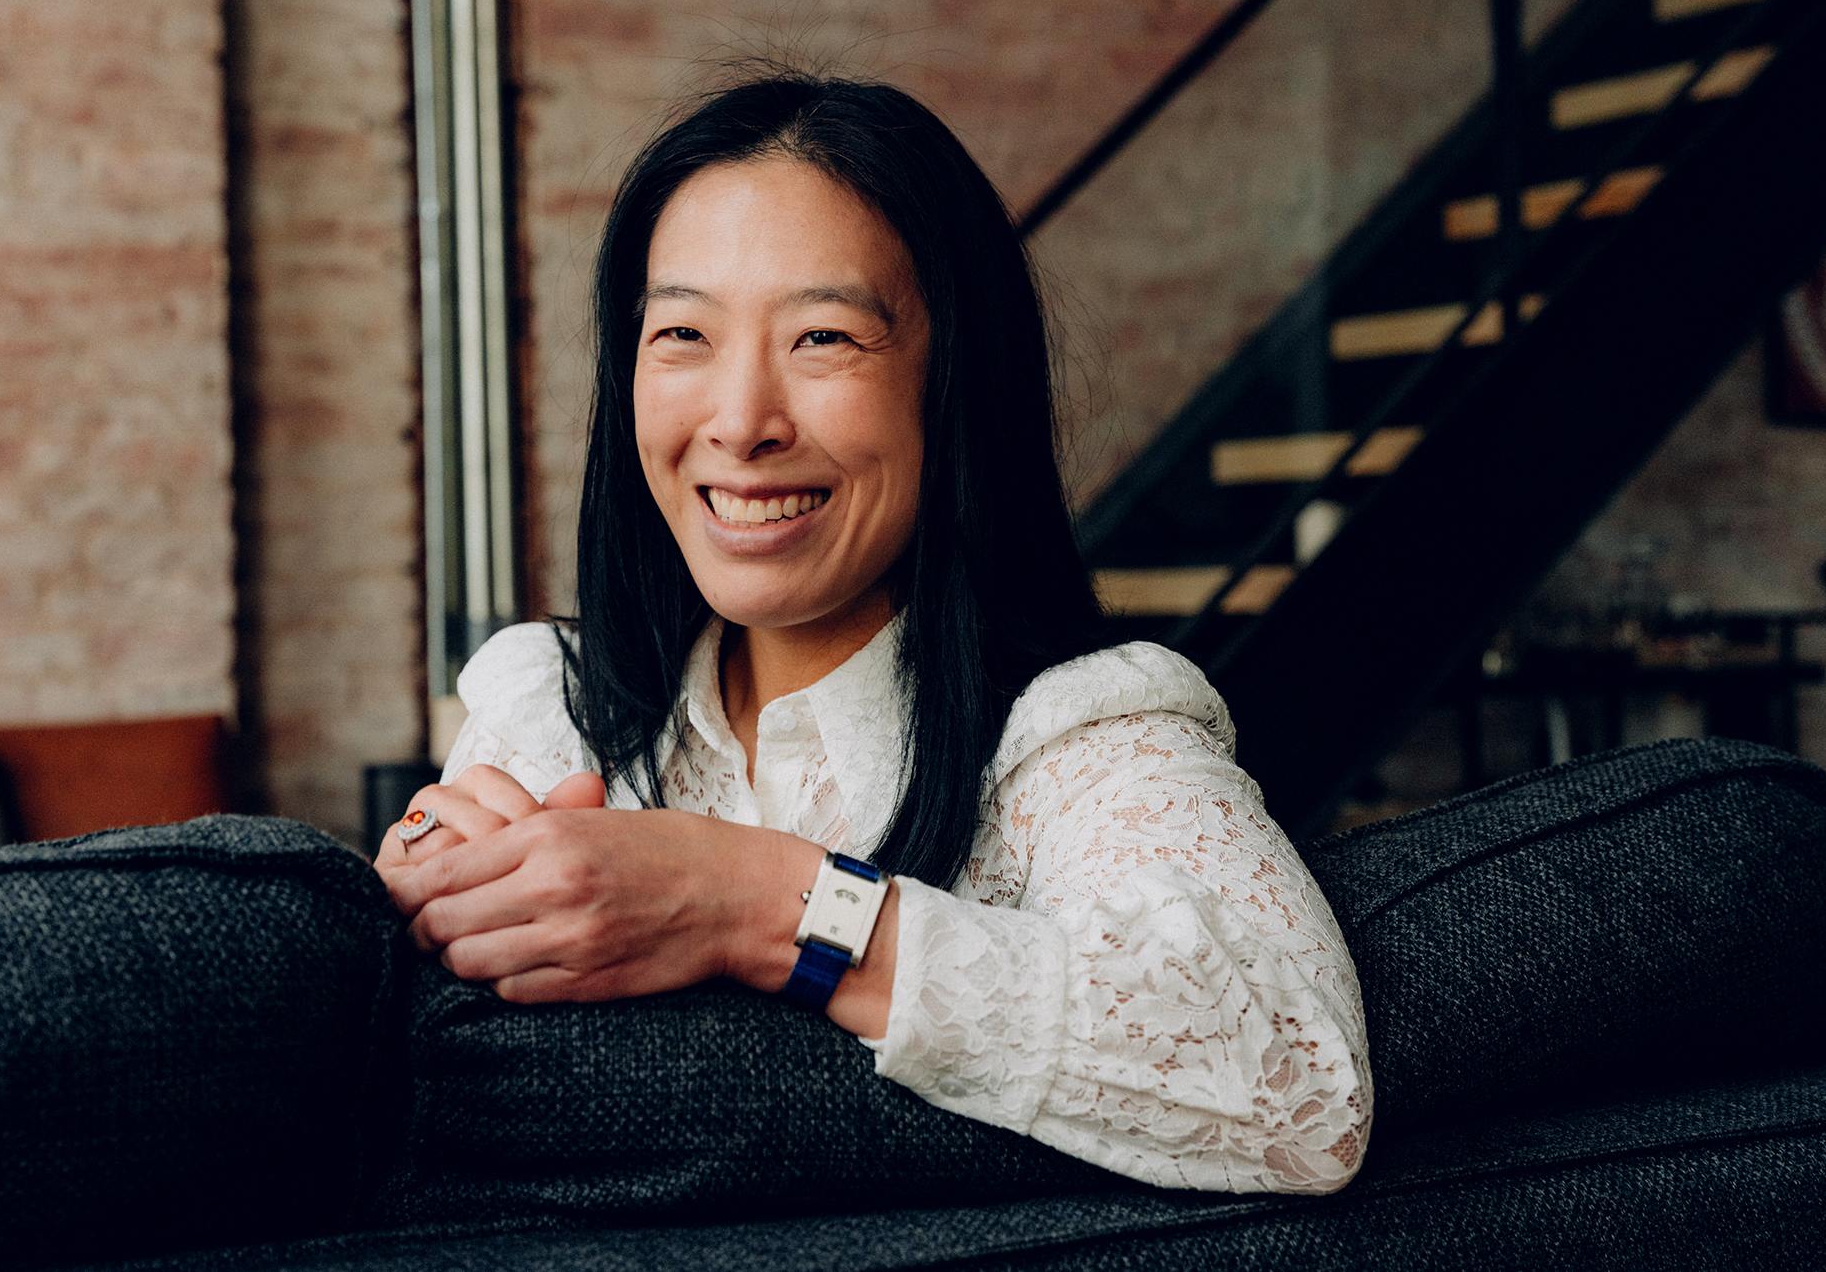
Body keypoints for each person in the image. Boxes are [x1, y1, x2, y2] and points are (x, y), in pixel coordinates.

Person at [374, 73, 1370, 1195]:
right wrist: (404, 912)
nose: (741, 423)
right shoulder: (547, 706)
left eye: (824, 337)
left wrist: (757, 904)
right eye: (683, 333)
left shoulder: (1076, 734)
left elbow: (1300, 1086)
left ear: (953, 385)